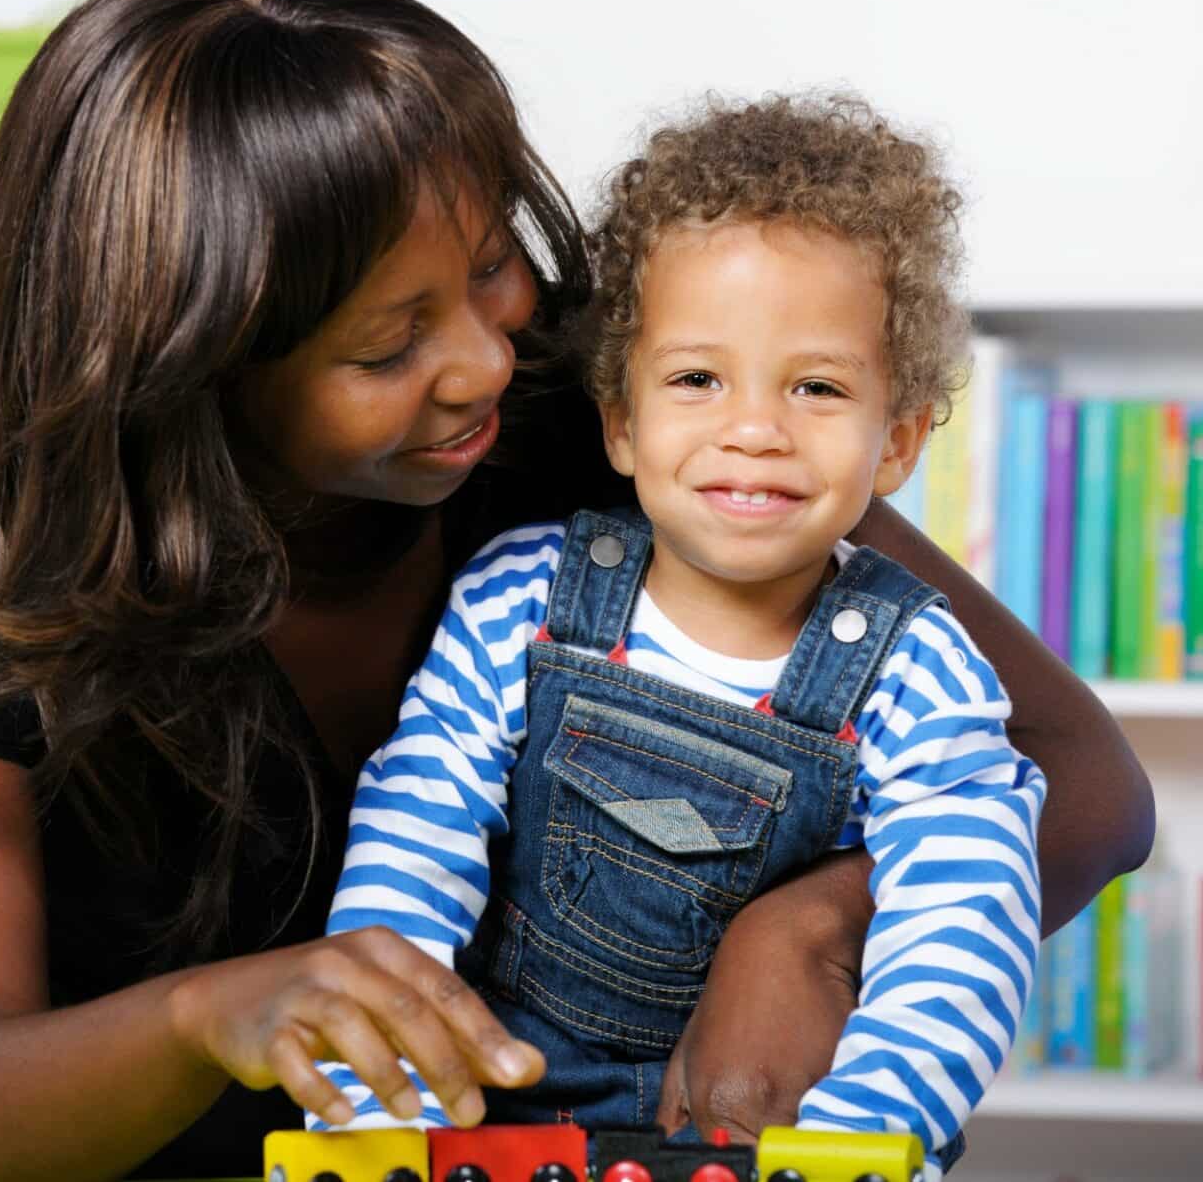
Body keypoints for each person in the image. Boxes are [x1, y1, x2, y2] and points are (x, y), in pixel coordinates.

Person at [0, 0, 1152, 1182]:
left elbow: (1084, 782)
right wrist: (204, 1017)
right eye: (388, 344)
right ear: (198, 374)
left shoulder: (623, 411)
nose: (486, 360)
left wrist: (809, 925)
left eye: (490, 266)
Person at [317, 95, 1046, 1175]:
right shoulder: (519, 599)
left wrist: (850, 1140)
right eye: (697, 380)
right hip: (503, 1122)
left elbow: (958, 937)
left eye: (817, 387)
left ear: (896, 442)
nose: (753, 429)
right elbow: (415, 839)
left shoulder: (921, 673)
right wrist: (378, 1097)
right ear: (620, 419)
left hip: (774, 1137)